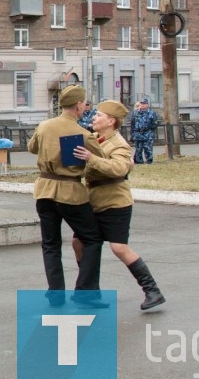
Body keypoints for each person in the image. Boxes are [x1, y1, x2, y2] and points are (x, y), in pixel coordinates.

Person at [72, 100, 165, 310]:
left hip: (115, 202)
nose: (94, 118)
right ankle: (89, 291)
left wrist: (91, 158)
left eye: (99, 115)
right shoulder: (95, 138)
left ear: (111, 121)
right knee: (79, 243)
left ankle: (152, 291)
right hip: (93, 200)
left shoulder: (119, 144)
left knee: (119, 248)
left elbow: (120, 168)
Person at [27, 84, 107, 307]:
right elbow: (99, 163)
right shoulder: (83, 134)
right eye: (84, 104)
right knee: (92, 238)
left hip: (43, 191)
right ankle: (85, 294)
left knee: (50, 244)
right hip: (70, 193)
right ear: (79, 105)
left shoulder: (44, 126)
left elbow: (32, 148)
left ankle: (55, 294)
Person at [129, 97, 158, 164]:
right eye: (141, 103)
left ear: (147, 105)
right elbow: (132, 124)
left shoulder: (151, 113)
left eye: (144, 104)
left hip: (147, 133)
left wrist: (151, 131)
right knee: (138, 149)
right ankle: (139, 161)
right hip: (138, 133)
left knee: (148, 148)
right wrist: (132, 133)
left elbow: (154, 123)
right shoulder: (135, 113)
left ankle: (149, 160)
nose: (142, 105)